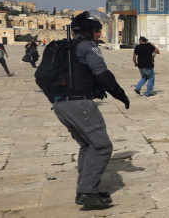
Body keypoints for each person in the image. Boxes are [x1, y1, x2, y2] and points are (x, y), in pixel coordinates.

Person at [52, 11, 130, 210]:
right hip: (79, 104)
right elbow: (102, 74)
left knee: (87, 145)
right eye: (97, 31)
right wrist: (120, 93)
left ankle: (86, 189)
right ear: (89, 32)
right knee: (102, 146)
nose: (99, 35)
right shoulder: (88, 47)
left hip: (61, 104)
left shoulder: (66, 48)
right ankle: (87, 192)